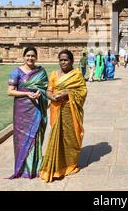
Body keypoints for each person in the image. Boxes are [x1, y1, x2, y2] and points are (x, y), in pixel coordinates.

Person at [40, 50, 87, 182]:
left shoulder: (76, 75)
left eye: (66, 60)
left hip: (71, 110)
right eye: (61, 60)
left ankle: (70, 165)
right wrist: (52, 97)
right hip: (56, 109)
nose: (63, 62)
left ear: (72, 61)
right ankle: (56, 165)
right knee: (57, 135)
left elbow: (82, 92)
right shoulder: (54, 74)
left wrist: (67, 94)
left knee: (71, 137)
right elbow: (48, 90)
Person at [7, 46, 48, 179]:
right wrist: (27, 94)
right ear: (23, 57)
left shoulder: (41, 72)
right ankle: (22, 168)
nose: (30, 58)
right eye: (28, 56)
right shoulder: (16, 72)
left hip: (37, 108)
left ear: (36, 57)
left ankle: (35, 167)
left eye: (33, 56)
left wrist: (39, 93)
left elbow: (46, 89)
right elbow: (10, 91)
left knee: (35, 137)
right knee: (22, 139)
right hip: (21, 110)